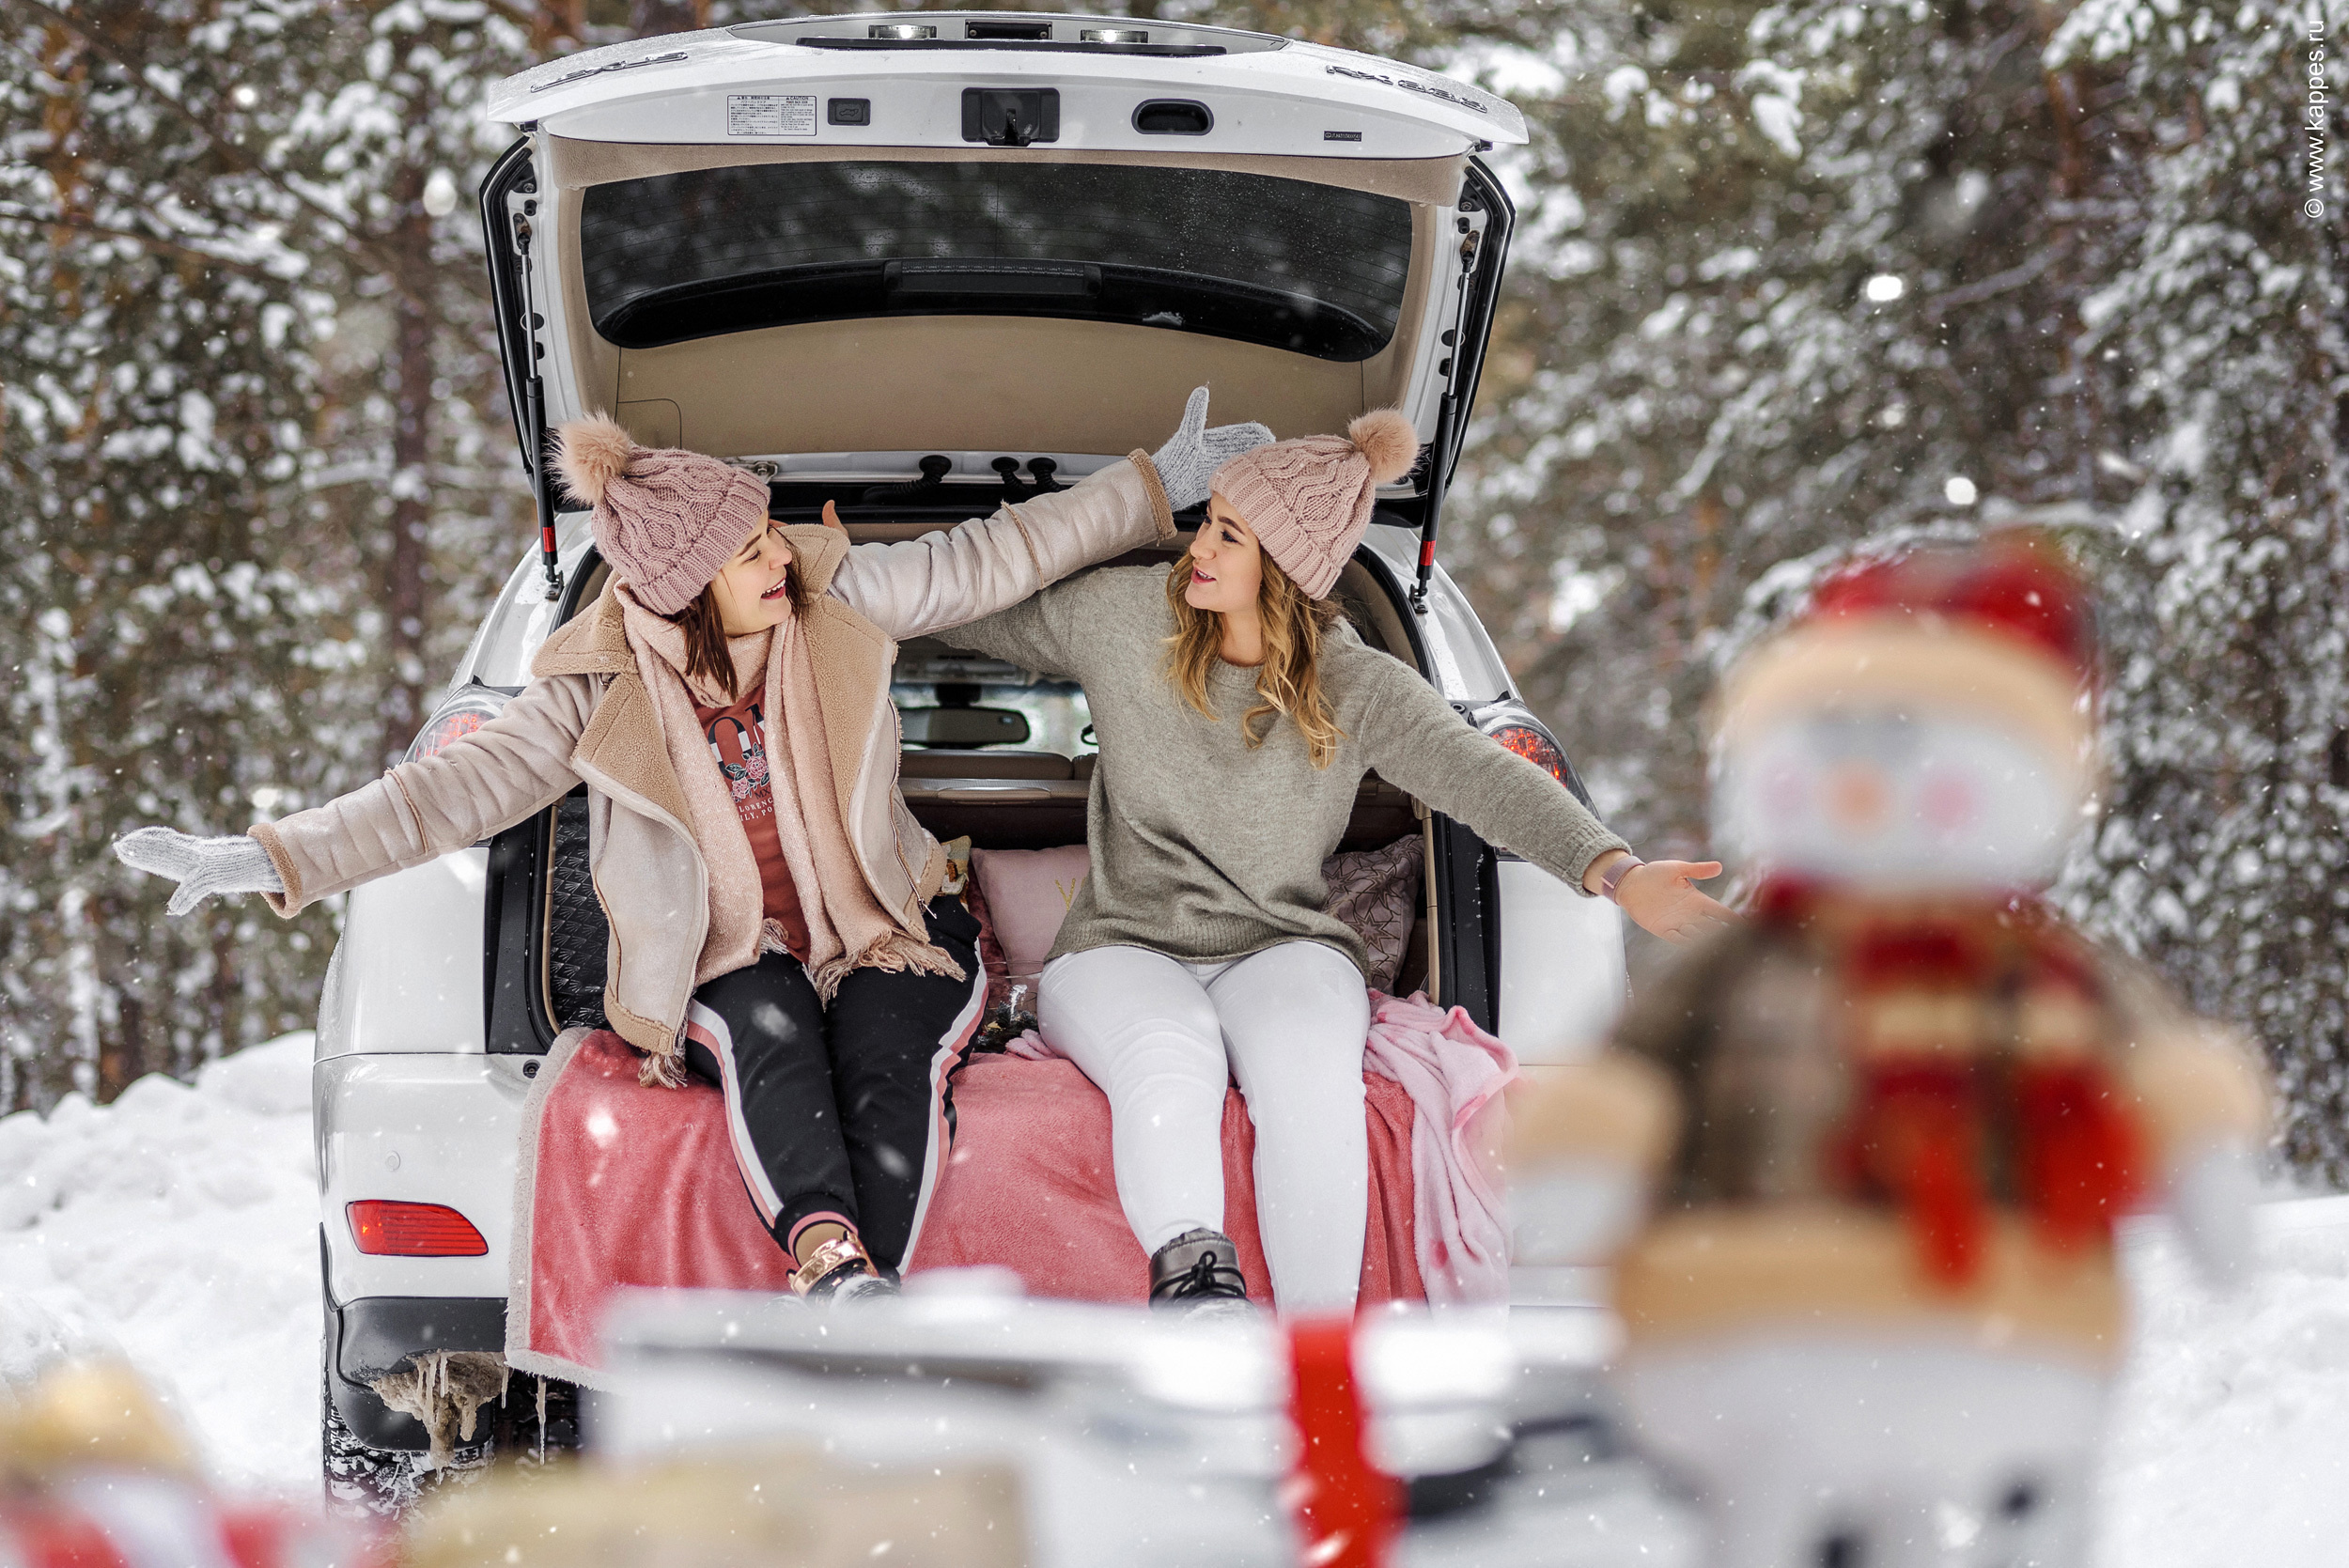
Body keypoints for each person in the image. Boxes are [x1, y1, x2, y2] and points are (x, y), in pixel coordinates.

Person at [114, 390, 1273, 1303]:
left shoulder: (842, 604)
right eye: (750, 549)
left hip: (883, 918)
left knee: (882, 1049)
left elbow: (994, 554)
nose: (782, 558)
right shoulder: (594, 691)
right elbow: (441, 797)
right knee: (768, 1035)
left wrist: (1146, 489)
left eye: (772, 534)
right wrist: (274, 857)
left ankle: (870, 1299)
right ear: (679, 589)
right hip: (726, 937)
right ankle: (832, 1265)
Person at [949, 410, 1734, 1314]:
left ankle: (1319, 1340)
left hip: (1282, 944)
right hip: (1123, 944)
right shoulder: (1125, 617)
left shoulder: (1350, 679)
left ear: (1283, 569)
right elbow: (968, 604)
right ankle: (1201, 1296)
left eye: (1228, 535)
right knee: (1172, 1058)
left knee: (1308, 1076)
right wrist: (826, 582)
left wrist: (1617, 871)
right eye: (1208, 522)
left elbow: (1478, 771)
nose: (1196, 548)